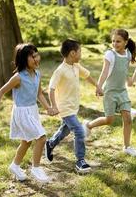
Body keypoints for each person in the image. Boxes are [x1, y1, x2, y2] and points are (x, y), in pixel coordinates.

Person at [0, 44, 55, 182]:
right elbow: (2, 91)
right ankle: (36, 168)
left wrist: (48, 108)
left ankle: (15, 166)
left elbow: (39, 94)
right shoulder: (18, 77)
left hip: (32, 111)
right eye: (32, 56)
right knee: (41, 138)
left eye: (37, 55)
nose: (36, 58)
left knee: (27, 142)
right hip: (22, 113)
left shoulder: (37, 74)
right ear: (23, 59)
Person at [44, 39, 101, 173]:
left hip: (73, 106)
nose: (81, 54)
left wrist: (97, 86)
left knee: (66, 129)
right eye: (80, 51)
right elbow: (50, 89)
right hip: (64, 107)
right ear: (72, 53)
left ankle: (50, 143)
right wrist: (54, 106)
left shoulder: (76, 66)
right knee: (79, 131)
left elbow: (87, 76)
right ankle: (80, 161)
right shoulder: (60, 70)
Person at [83, 29, 136, 157]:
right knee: (109, 120)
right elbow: (104, 72)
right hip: (109, 91)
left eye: (118, 41)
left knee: (128, 119)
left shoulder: (128, 54)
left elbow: (125, 70)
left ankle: (127, 147)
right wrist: (99, 86)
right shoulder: (110, 54)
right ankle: (89, 125)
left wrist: (129, 80)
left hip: (122, 91)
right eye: (113, 41)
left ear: (126, 42)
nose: (115, 44)